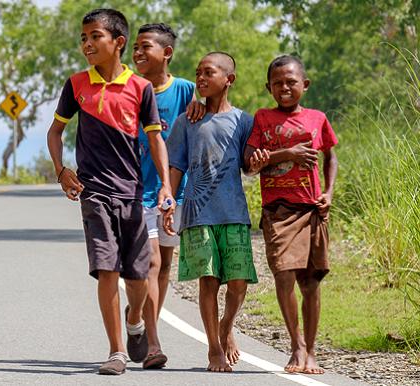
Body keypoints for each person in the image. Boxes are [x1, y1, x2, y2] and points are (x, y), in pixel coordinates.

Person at [46, 8, 175, 376]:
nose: (87, 43)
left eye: (95, 37)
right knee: (106, 269)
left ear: (118, 42)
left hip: (132, 194)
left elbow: (155, 140)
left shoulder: (140, 88)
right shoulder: (76, 85)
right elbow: (55, 132)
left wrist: (165, 184)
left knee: (137, 277)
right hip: (94, 192)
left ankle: (134, 320)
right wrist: (61, 170)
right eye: (83, 38)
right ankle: (116, 351)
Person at [244, 55, 338, 375]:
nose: (284, 87)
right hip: (279, 212)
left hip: (312, 209)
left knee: (310, 283)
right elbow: (249, 162)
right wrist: (286, 153)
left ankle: (311, 351)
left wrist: (329, 193)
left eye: (291, 82)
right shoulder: (262, 118)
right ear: (268, 87)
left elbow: (330, 158)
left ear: (305, 85)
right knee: (284, 276)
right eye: (277, 83)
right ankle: (295, 344)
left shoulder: (317, 118)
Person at [166, 52, 258, 372]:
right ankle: (213, 349)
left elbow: (248, 166)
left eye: (209, 72)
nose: (201, 78)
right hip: (197, 213)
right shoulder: (187, 120)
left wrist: (257, 163)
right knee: (208, 281)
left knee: (238, 283)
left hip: (233, 212)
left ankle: (226, 326)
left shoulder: (244, 121)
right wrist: (169, 200)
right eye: (197, 73)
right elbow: (176, 164)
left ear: (228, 79)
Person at [131, 22, 204, 369]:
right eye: (135, 47)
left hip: (177, 193)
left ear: (167, 53)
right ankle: (153, 342)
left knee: (163, 269)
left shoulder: (188, 92)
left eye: (146, 46)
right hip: (137, 191)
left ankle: (140, 319)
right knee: (151, 263)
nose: (138, 53)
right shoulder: (129, 89)